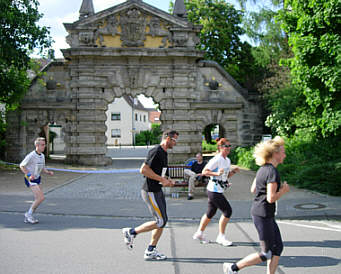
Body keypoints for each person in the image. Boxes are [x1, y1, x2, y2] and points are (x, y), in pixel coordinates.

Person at [223, 136, 290, 274]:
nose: (285, 155)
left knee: (277, 248)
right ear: (275, 154)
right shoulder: (272, 171)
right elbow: (271, 198)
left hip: (263, 212)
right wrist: (283, 191)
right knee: (266, 253)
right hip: (263, 214)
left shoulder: (262, 169)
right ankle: (232, 268)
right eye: (283, 152)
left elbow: (253, 189)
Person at [122, 130, 178, 260]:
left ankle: (151, 250)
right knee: (161, 221)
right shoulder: (156, 151)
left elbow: (160, 172)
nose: (175, 143)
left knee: (162, 221)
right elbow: (143, 170)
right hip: (150, 191)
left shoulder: (164, 153)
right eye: (174, 140)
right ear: (168, 139)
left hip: (157, 190)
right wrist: (161, 180)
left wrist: (167, 180)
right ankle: (131, 232)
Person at [192, 138, 239, 246]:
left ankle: (199, 233)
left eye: (229, 146)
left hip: (218, 189)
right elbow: (204, 172)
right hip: (213, 190)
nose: (228, 148)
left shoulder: (227, 160)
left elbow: (225, 176)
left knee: (210, 212)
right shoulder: (216, 159)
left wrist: (233, 172)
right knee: (228, 211)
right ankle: (221, 237)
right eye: (226, 146)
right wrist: (216, 174)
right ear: (220, 148)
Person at [19, 137, 54, 224]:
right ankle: (28, 214)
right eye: (42, 145)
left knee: (38, 198)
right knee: (41, 198)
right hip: (30, 179)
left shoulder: (42, 156)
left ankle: (29, 215)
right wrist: (29, 175)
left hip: (37, 178)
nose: (44, 146)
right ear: (37, 145)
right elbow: (22, 166)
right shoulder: (31, 155)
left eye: (44, 144)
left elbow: (42, 168)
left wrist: (48, 172)